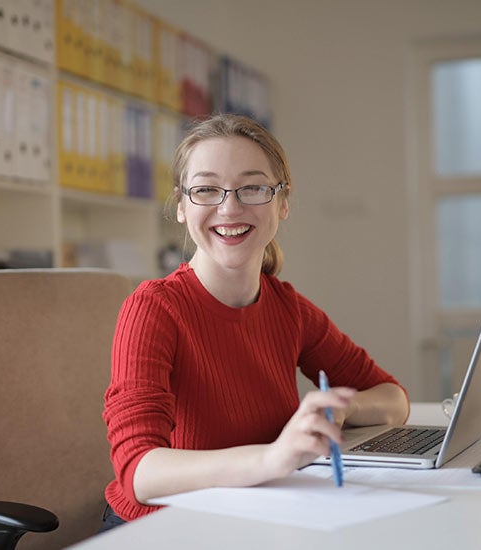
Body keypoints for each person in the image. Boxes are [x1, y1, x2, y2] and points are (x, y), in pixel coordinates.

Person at [100, 113, 409, 529]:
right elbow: (139, 473)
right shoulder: (154, 309)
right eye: (207, 189)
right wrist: (273, 458)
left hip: (252, 517)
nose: (229, 207)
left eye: (252, 188)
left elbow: (394, 399)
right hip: (164, 528)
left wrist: (338, 408)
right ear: (181, 206)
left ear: (282, 203)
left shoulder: (288, 308)